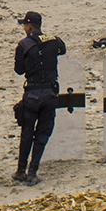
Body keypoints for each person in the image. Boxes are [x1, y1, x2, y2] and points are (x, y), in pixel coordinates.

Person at [13, 12, 65, 185]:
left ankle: (21, 169)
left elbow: (19, 70)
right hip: (50, 93)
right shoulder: (53, 40)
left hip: (32, 94)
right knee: (43, 134)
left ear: (29, 27)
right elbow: (62, 49)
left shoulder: (24, 44)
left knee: (27, 133)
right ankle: (33, 171)